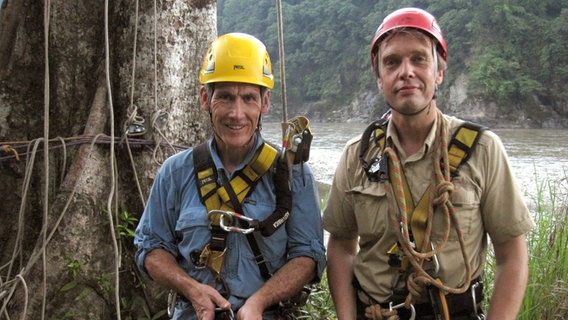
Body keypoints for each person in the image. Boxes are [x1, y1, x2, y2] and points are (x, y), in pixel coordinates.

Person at [323, 7, 534, 320]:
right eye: (392, 62)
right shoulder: (359, 155)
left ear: (439, 72)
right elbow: (340, 246)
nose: (405, 71)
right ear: (379, 78)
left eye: (419, 59)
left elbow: (511, 253)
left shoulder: (482, 149)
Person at [134, 32, 326, 320]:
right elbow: (150, 248)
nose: (237, 113)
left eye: (249, 98)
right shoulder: (175, 172)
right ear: (204, 98)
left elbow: (308, 255)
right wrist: (193, 290)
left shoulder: (292, 176)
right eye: (225, 97)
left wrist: (259, 302)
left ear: (265, 103)